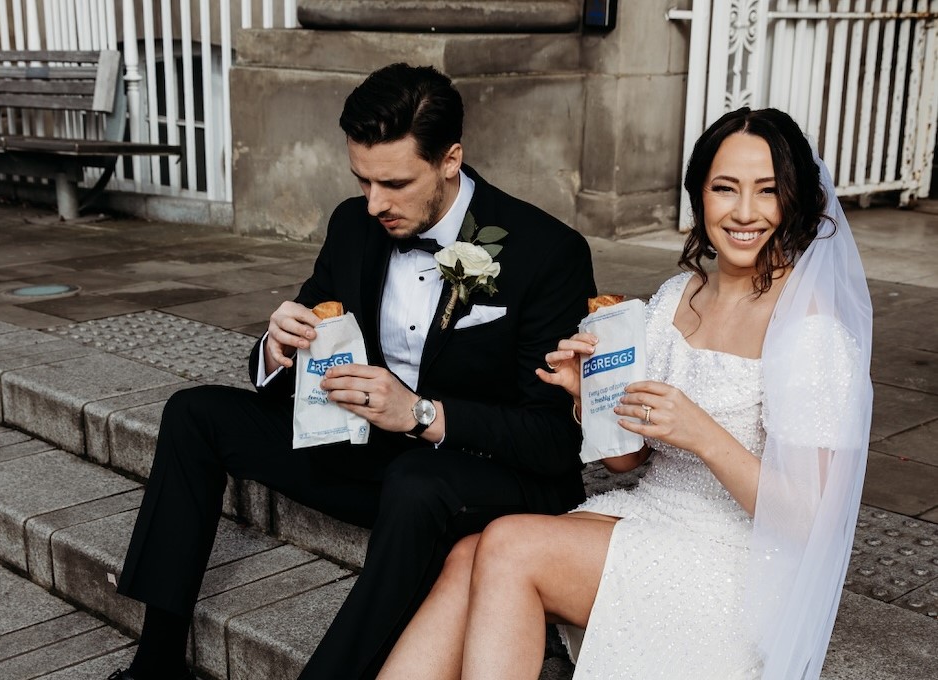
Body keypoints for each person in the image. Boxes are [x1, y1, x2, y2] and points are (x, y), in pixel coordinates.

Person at [107, 63, 596, 680]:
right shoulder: (352, 225)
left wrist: (420, 414)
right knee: (194, 414)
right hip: (367, 454)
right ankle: (155, 666)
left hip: (480, 475)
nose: (374, 203)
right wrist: (277, 349)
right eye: (361, 180)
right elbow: (311, 344)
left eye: (393, 183)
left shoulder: (547, 252)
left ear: (451, 158)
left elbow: (555, 442)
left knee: (420, 481)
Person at [377, 107, 873, 680]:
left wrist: (703, 434)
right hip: (651, 516)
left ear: (796, 201)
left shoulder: (811, 331)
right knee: (470, 553)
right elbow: (626, 460)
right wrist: (589, 398)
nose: (743, 212)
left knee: (511, 545)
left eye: (767, 191)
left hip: (739, 560)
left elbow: (811, 520)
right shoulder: (674, 298)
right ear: (699, 197)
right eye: (724, 189)